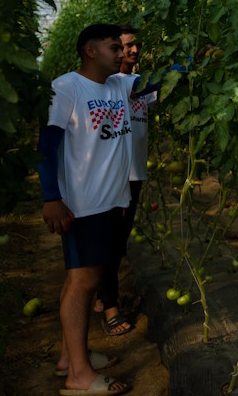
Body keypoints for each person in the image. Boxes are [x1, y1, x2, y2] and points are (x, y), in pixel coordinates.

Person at [37, 23, 135, 395]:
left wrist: (199, 56)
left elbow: (160, 82)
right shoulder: (67, 88)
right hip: (83, 203)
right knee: (84, 282)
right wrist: (51, 198)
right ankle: (78, 376)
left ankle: (70, 357)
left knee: (83, 279)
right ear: (90, 51)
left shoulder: (119, 86)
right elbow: (47, 145)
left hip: (110, 200)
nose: (122, 52)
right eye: (114, 47)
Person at [95, 25, 155, 336]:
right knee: (110, 243)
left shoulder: (137, 84)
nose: (132, 51)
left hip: (135, 174)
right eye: (127, 46)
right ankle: (110, 309)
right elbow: (154, 83)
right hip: (117, 175)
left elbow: (161, 91)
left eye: (136, 46)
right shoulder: (117, 82)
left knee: (118, 243)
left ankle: (101, 296)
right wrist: (192, 58)